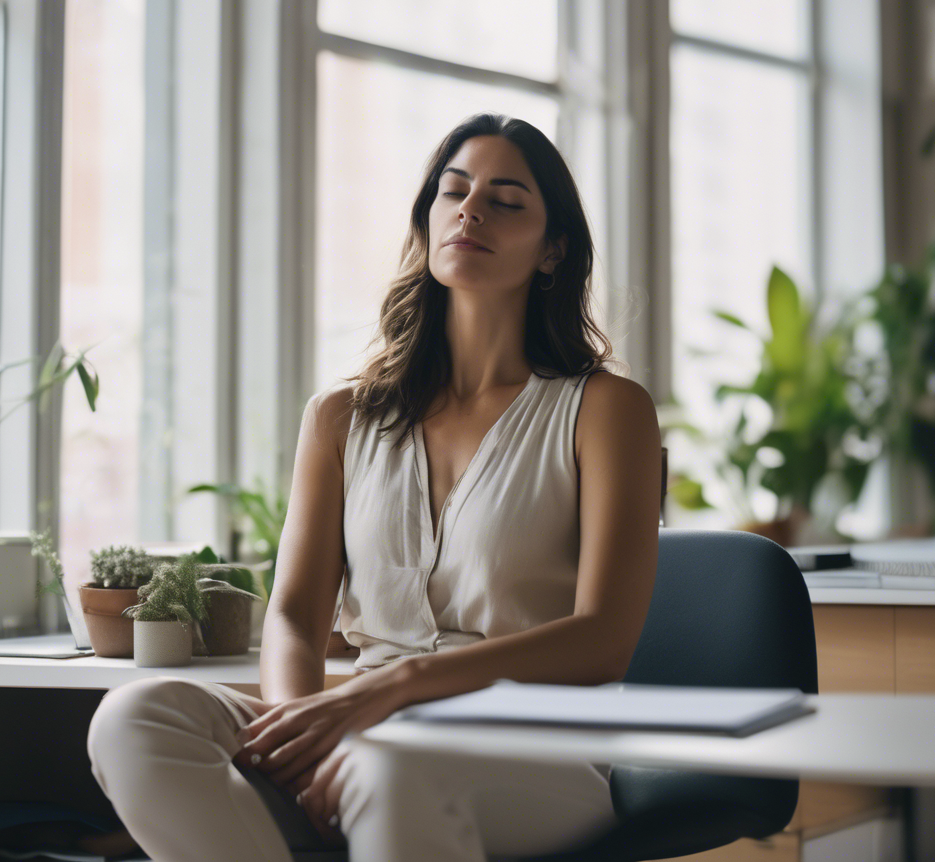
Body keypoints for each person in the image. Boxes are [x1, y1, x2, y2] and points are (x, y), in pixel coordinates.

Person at [86, 112, 662, 862]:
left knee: (389, 768)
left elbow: (604, 641)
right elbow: (294, 615)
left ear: (553, 249)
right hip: (356, 731)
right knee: (136, 717)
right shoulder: (340, 417)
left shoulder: (605, 410)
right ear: (427, 223)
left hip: (539, 748)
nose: (471, 210)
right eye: (452, 192)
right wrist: (302, 732)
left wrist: (395, 687)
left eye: (507, 199)